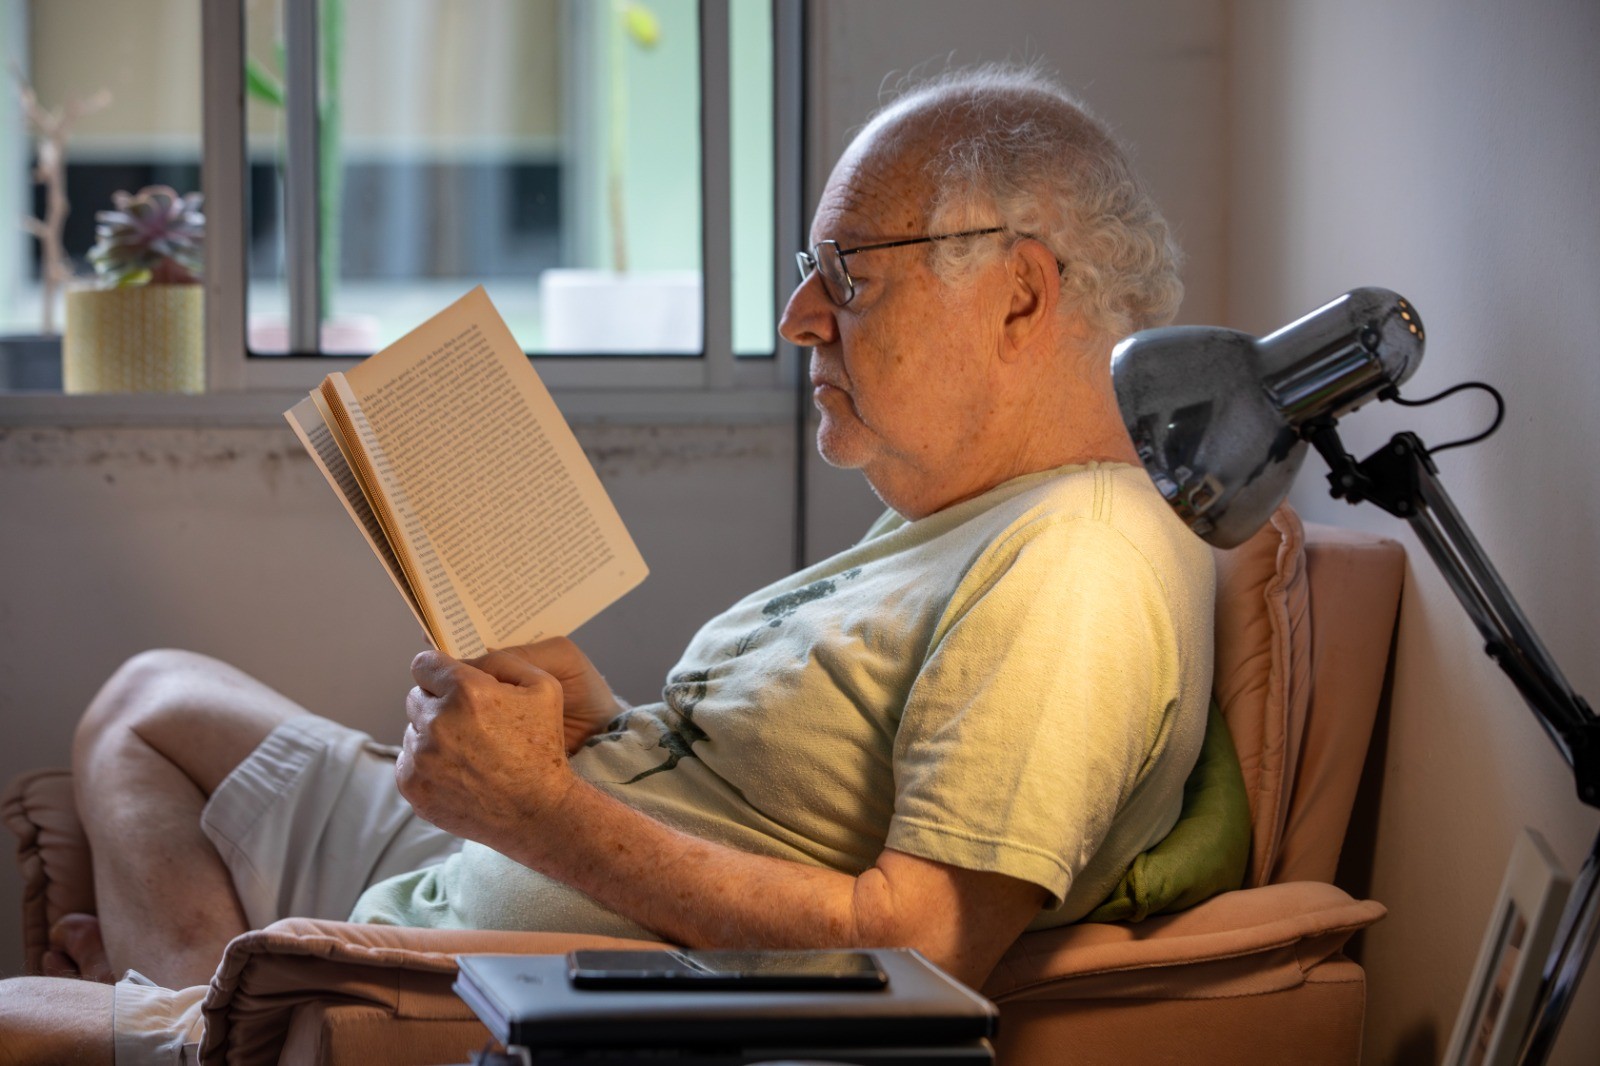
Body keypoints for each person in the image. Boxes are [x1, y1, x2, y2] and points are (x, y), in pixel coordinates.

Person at [0, 62, 1214, 1065]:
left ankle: (193, 1025)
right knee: (148, 703)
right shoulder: (978, 511)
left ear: (1019, 295)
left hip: (516, 928)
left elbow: (919, 948)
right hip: (498, 849)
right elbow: (782, 797)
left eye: (849, 273)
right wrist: (597, 722)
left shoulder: (1080, 566)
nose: (799, 316)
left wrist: (539, 809)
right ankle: (216, 1001)